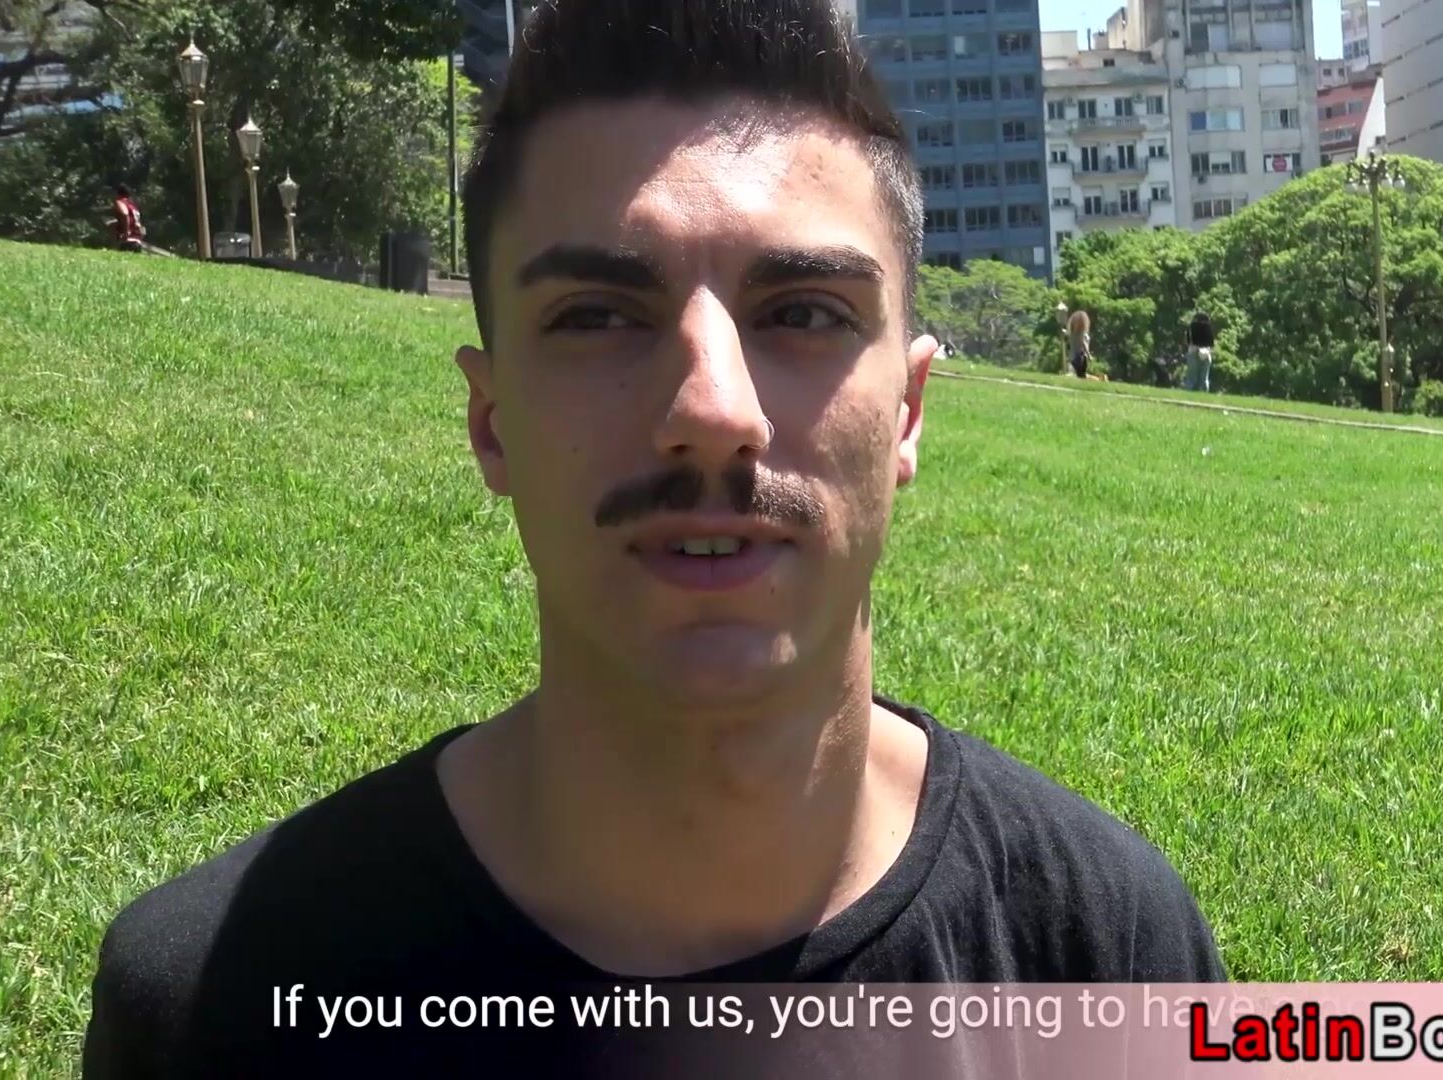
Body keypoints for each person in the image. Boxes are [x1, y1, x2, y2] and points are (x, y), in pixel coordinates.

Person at [82, 0, 1224, 1074]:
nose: (714, 410)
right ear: (491, 423)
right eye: (595, 316)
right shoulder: (216, 1004)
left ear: (909, 413)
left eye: (804, 313)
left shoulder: (1112, 951)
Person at [1185, 310, 1215, 393]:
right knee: (1204, 378)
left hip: (1193, 351)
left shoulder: (1191, 327)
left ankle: (1190, 392)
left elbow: (1188, 341)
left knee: (1191, 377)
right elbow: (1211, 343)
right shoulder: (1209, 328)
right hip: (1206, 352)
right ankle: (1204, 393)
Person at [110, 185, 146, 253]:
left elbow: (125, 214)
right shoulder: (132, 206)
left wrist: (126, 233)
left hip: (127, 241)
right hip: (137, 241)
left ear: (117, 193)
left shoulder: (120, 202)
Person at [1066, 308, 1092, 378]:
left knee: (1075, 375)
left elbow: (1069, 346)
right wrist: (1089, 355)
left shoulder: (1072, 335)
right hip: (1080, 359)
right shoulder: (1082, 334)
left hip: (1073, 358)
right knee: (1081, 375)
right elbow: (1084, 343)